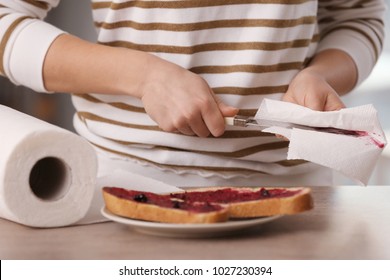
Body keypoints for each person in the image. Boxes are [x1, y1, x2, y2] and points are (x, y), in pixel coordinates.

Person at [0, 0, 386, 187]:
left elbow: (358, 17)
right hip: (125, 186)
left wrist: (321, 74)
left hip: (300, 191)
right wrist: (143, 76)